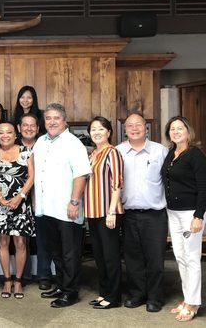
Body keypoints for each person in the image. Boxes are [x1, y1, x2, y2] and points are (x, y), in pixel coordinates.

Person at [34, 103, 91, 308]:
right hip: (46, 209)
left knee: (70, 253)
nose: (52, 122)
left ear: (64, 120)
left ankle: (70, 291)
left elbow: (81, 174)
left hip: (67, 209)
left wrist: (74, 201)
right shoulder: (41, 141)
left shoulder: (73, 143)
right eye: (48, 118)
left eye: (56, 118)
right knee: (56, 251)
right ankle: (60, 284)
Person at [116, 113, 168, 313]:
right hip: (128, 214)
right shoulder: (118, 151)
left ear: (146, 127)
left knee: (155, 258)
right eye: (130, 125)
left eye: (138, 125)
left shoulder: (160, 151)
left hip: (155, 215)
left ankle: (155, 297)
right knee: (132, 258)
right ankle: (137, 294)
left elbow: (170, 180)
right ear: (125, 129)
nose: (134, 128)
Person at [161, 116, 206, 322]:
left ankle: (193, 302)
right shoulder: (171, 153)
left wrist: (199, 216)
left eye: (180, 128)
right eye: (172, 129)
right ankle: (188, 297)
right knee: (180, 256)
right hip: (173, 212)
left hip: (191, 213)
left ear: (188, 131)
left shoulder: (195, 154)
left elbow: (204, 187)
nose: (176, 132)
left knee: (191, 257)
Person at [0, 122, 35, 299]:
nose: (5, 135)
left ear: (15, 134)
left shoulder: (26, 152)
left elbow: (31, 177)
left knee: (20, 243)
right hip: (0, 205)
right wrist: (0, 199)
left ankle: (19, 280)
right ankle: (7, 279)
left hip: (20, 204)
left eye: (9, 132)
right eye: (1, 133)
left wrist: (20, 197)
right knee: (2, 243)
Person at [84, 117, 124, 309]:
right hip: (93, 211)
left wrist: (111, 212)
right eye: (93, 129)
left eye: (101, 129)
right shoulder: (93, 154)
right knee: (99, 256)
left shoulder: (112, 152)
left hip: (108, 212)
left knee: (110, 255)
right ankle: (104, 293)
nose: (97, 132)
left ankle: (114, 297)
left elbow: (117, 184)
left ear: (109, 132)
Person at [17, 113, 52, 290]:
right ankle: (22, 275)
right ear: (19, 128)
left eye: (33, 125)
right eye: (25, 125)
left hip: (42, 197)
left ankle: (44, 275)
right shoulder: (13, 147)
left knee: (42, 238)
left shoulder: (45, 145)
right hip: (18, 200)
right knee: (21, 239)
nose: (29, 128)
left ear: (38, 129)